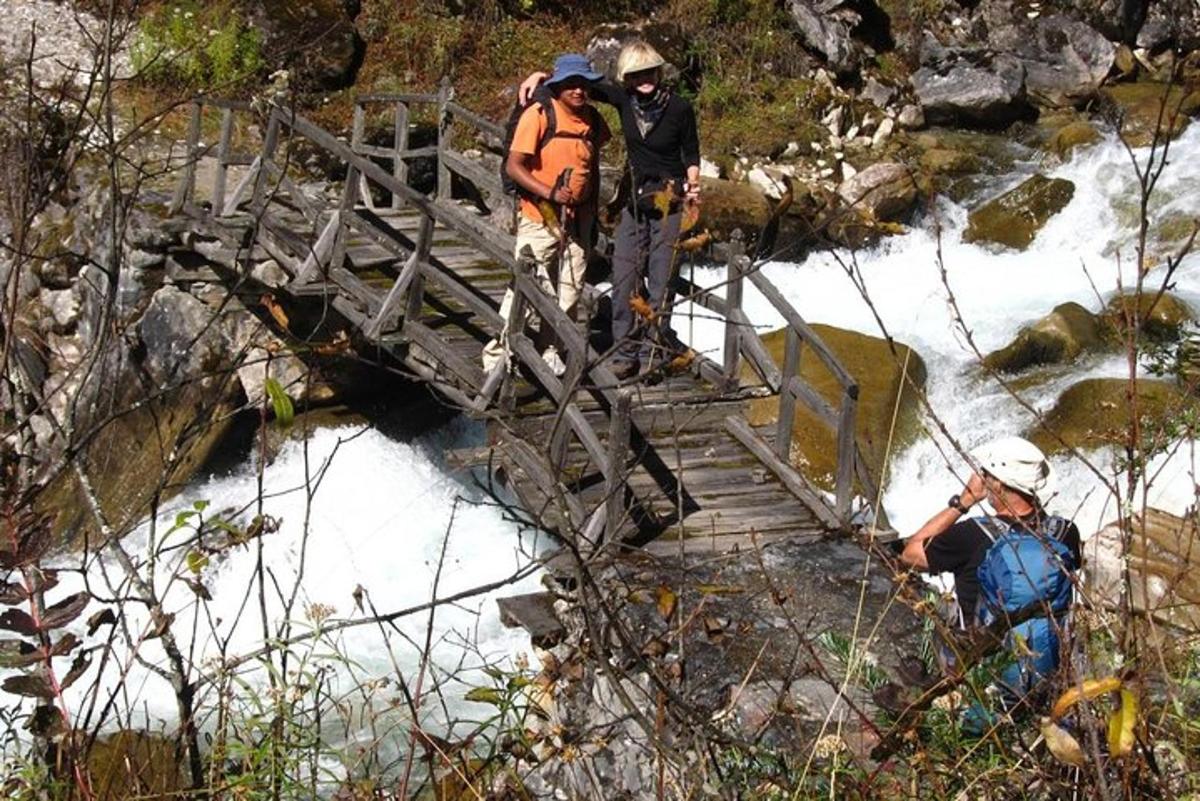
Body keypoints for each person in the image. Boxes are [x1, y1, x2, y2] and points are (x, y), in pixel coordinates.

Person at [519, 41, 701, 380]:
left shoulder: (679, 108)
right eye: (636, 74)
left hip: (670, 202)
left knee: (661, 282)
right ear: (627, 78)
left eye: (650, 72)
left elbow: (691, 151)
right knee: (623, 276)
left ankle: (652, 355)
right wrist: (541, 76)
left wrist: (693, 183)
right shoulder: (623, 100)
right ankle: (625, 351)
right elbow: (580, 83)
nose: (644, 79)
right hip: (635, 200)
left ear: (659, 73)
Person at [898, 436, 1082, 729]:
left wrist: (963, 502)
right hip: (1047, 677)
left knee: (940, 623)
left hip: (982, 679)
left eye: (987, 475)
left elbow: (910, 553)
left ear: (997, 484)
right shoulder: (1066, 533)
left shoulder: (973, 535)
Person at [481, 53, 611, 377]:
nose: (578, 91)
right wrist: (549, 192)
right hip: (539, 215)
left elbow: (590, 163)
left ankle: (550, 350)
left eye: (583, 84)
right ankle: (498, 356)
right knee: (525, 287)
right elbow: (514, 165)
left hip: (579, 219)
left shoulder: (593, 119)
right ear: (558, 86)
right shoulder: (539, 114)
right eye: (571, 84)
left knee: (570, 289)